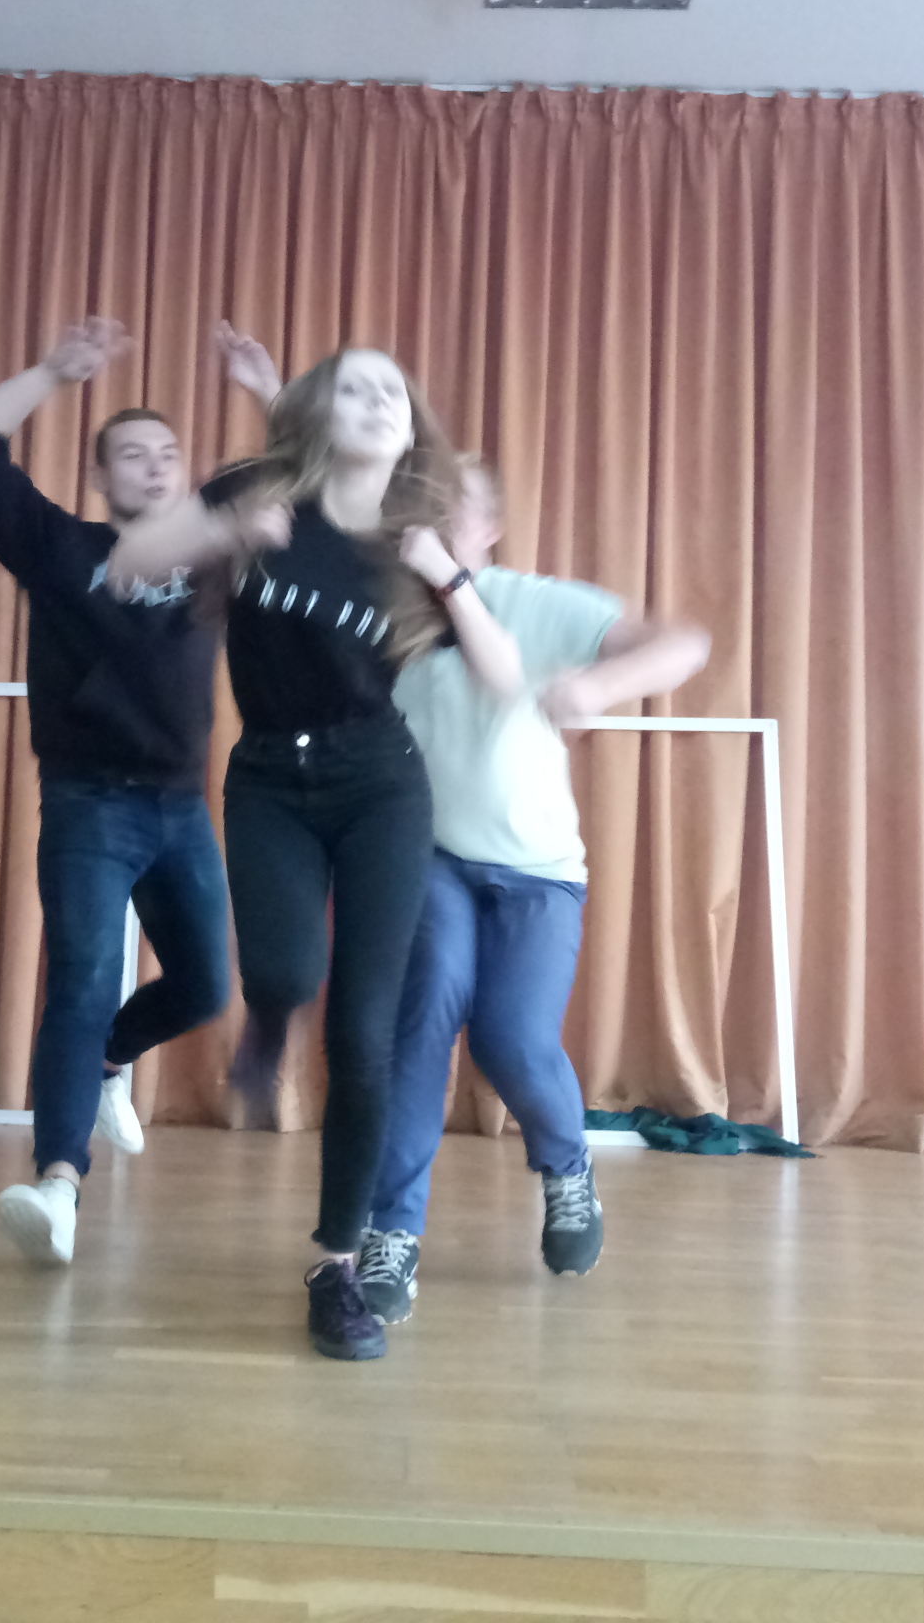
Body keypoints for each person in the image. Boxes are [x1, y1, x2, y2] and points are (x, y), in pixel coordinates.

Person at [109, 333, 519, 1360]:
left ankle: (337, 1267)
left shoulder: (416, 536)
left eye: (393, 391)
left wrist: (448, 576)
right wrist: (223, 530)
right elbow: (126, 566)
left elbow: (504, 677)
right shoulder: (256, 491)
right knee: (286, 970)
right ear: (319, 409)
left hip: (381, 784)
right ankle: (268, 1016)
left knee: (364, 1038)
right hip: (268, 780)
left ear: (409, 425)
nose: (377, 401)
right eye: (354, 387)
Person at [353, 457, 711, 1326]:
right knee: (423, 1014)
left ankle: (566, 1165)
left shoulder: (535, 603)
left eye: (457, 510)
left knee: (513, 1040)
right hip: (428, 858)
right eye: (423, 507)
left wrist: (595, 685)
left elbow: (683, 643)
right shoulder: (381, 613)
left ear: (489, 529)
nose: (436, 522)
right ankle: (391, 1232)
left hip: (537, 872)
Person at [0, 317, 251, 1268]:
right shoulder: (58, 547)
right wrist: (50, 371)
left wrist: (266, 390)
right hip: (88, 804)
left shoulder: (212, 551)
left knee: (206, 986)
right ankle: (58, 1185)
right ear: (98, 475)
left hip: (182, 807)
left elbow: (317, 492)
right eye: (132, 455)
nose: (153, 468)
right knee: (79, 982)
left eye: (168, 455)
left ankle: (113, 1061)